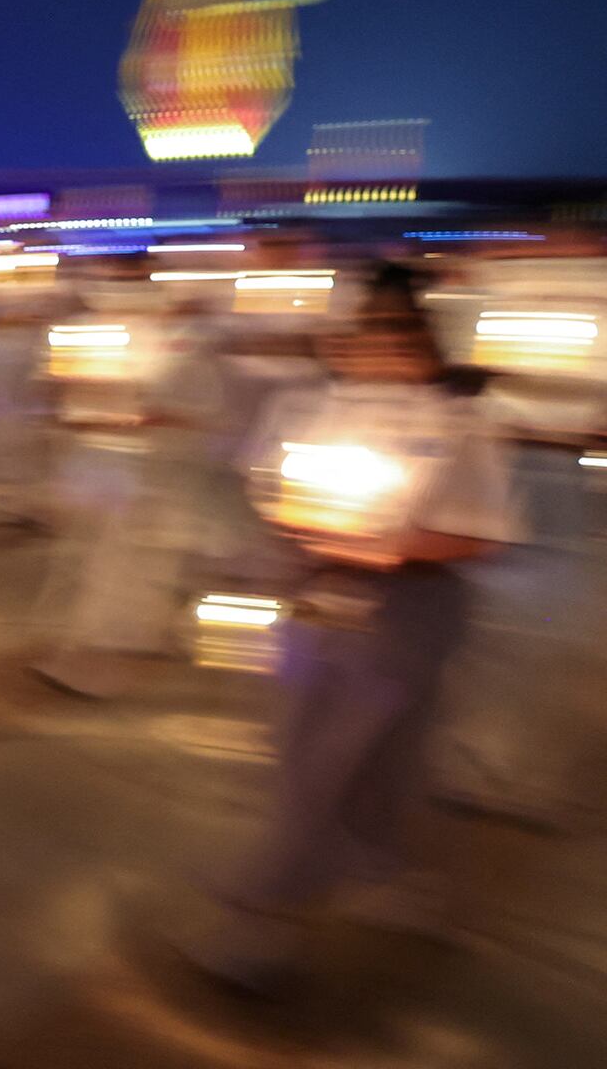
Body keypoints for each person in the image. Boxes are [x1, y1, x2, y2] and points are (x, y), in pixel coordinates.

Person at [183, 264, 524, 992]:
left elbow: (484, 535)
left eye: (398, 329)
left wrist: (390, 548)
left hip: (408, 612)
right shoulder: (312, 407)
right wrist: (312, 531)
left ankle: (263, 915)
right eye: (369, 328)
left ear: (430, 340)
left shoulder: (459, 422)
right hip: (316, 597)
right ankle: (397, 879)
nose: (379, 345)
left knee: (334, 760)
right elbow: (273, 489)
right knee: (339, 754)